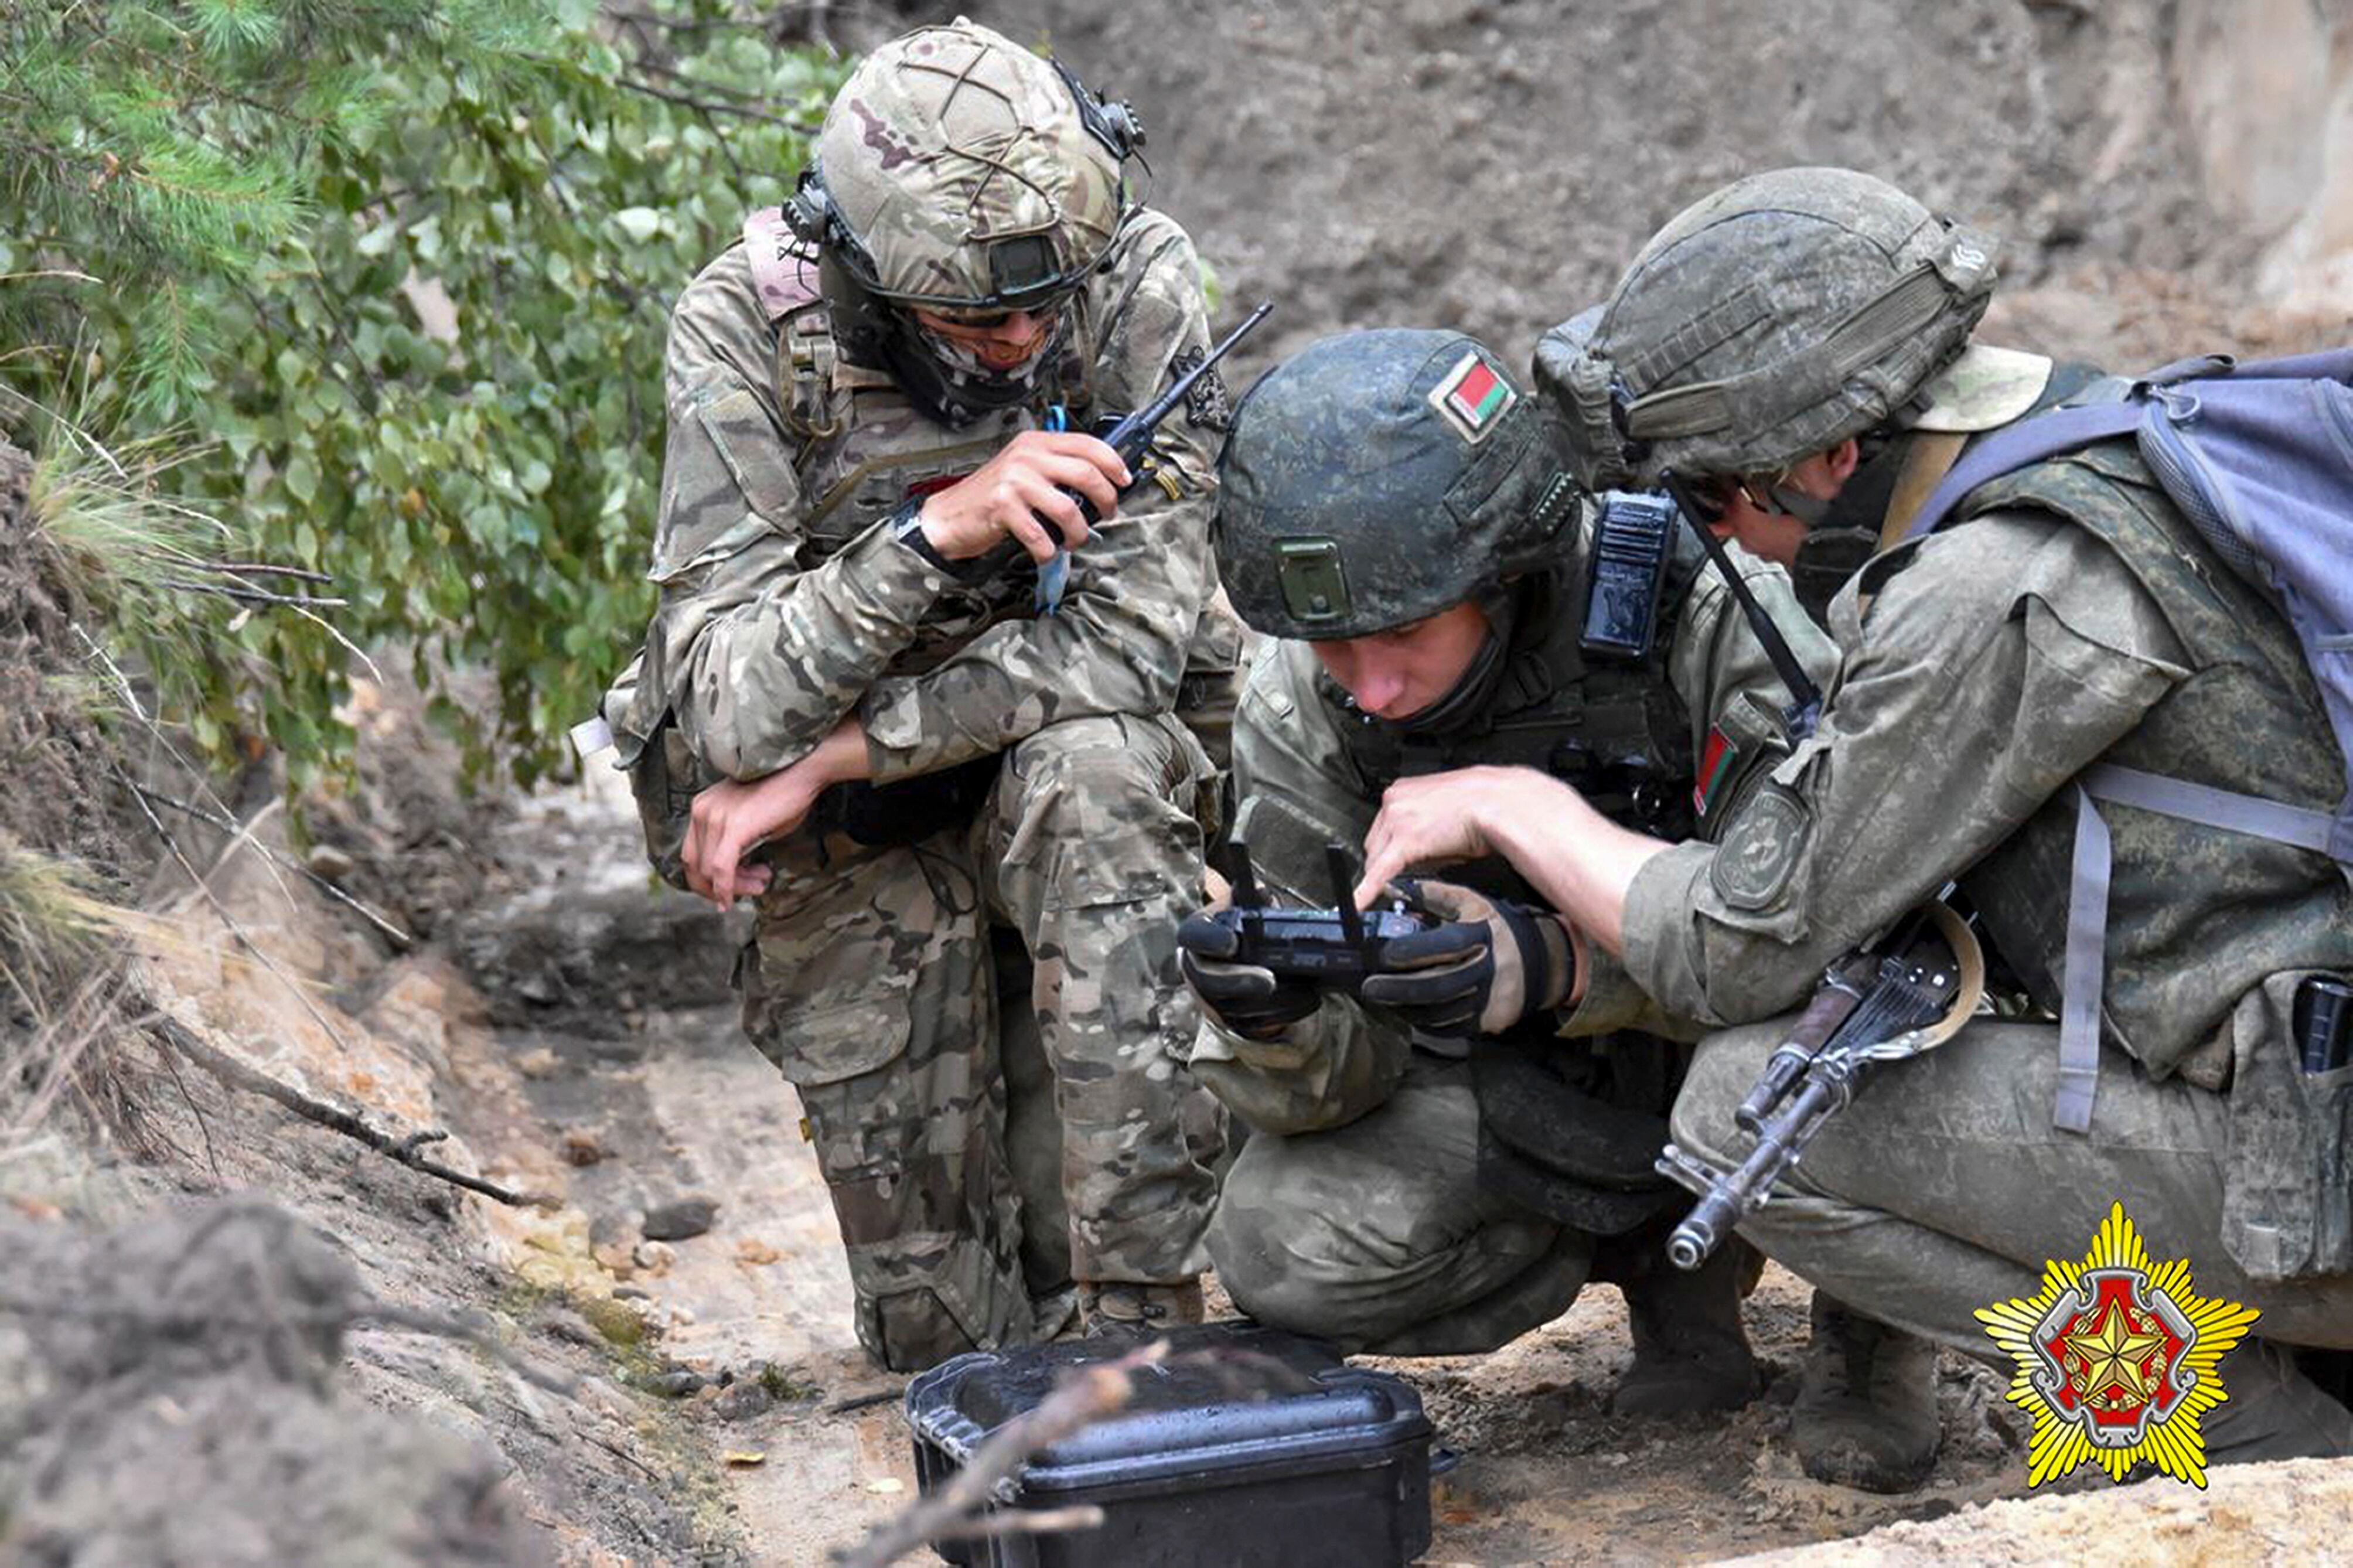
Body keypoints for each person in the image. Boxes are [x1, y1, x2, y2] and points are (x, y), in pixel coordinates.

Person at [1356, 166, 2353, 1484]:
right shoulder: (2139, 444)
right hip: (2305, 1093)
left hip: (2316, 1160)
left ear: (1832, 455)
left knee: (1746, 1120)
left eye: (1713, 499)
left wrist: (1514, 804)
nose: (1723, 541)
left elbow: (1742, 948)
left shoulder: (2004, 580)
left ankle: (2255, 1445)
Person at [599, 19, 1237, 1372]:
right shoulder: (748, 327)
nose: (1018, 342)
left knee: (1105, 767)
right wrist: (934, 536)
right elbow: (723, 708)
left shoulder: (1131, 283)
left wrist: (837, 754)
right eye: (973, 318)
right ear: (871, 281)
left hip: (1039, 782)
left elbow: (1125, 653)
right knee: (944, 1344)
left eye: (1038, 308)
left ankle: (1146, 1330)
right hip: (863, 859)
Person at [1174, 328, 1839, 1412]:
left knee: (1855, 1057)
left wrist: (1562, 964)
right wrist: (1279, 1026)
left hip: (1746, 1049)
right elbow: (1323, 1095)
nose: (1372, 688)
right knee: (1277, 1248)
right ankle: (1596, 1251)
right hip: (1510, 1085)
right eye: (1335, 646)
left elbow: (1834, 934)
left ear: (1504, 570)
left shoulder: (1702, 615)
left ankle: (1855, 1340)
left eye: (1402, 635)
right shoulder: (1308, 698)